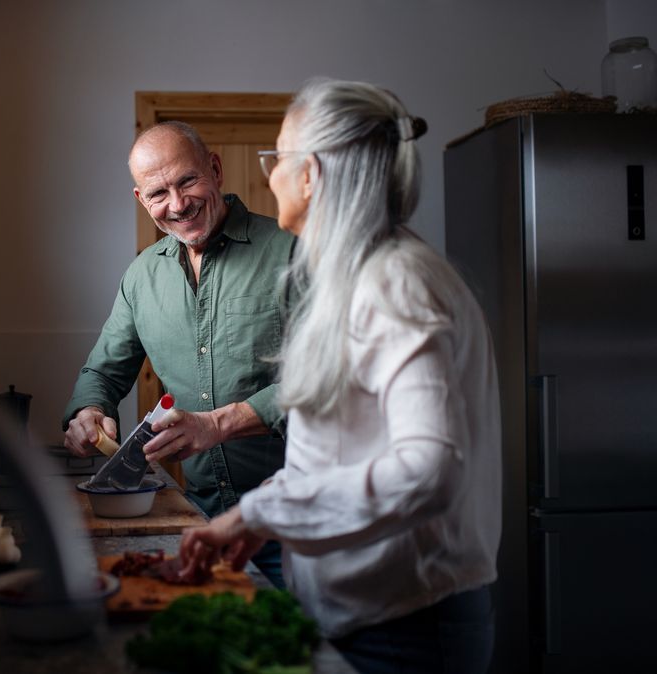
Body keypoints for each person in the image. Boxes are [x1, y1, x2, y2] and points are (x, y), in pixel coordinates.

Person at [178, 78, 502, 674]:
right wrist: (280, 522)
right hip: (371, 616)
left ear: (311, 175)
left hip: (407, 628)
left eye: (276, 158)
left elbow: (429, 471)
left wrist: (259, 512)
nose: (269, 175)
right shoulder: (358, 276)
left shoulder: (397, 282)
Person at [62, 121, 296, 588]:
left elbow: (331, 383)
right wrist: (90, 410)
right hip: (200, 524)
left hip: (293, 528)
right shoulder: (141, 278)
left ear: (215, 169)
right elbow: (103, 372)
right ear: (140, 200)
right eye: (158, 193)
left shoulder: (292, 252)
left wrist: (216, 424)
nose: (177, 204)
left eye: (187, 181)